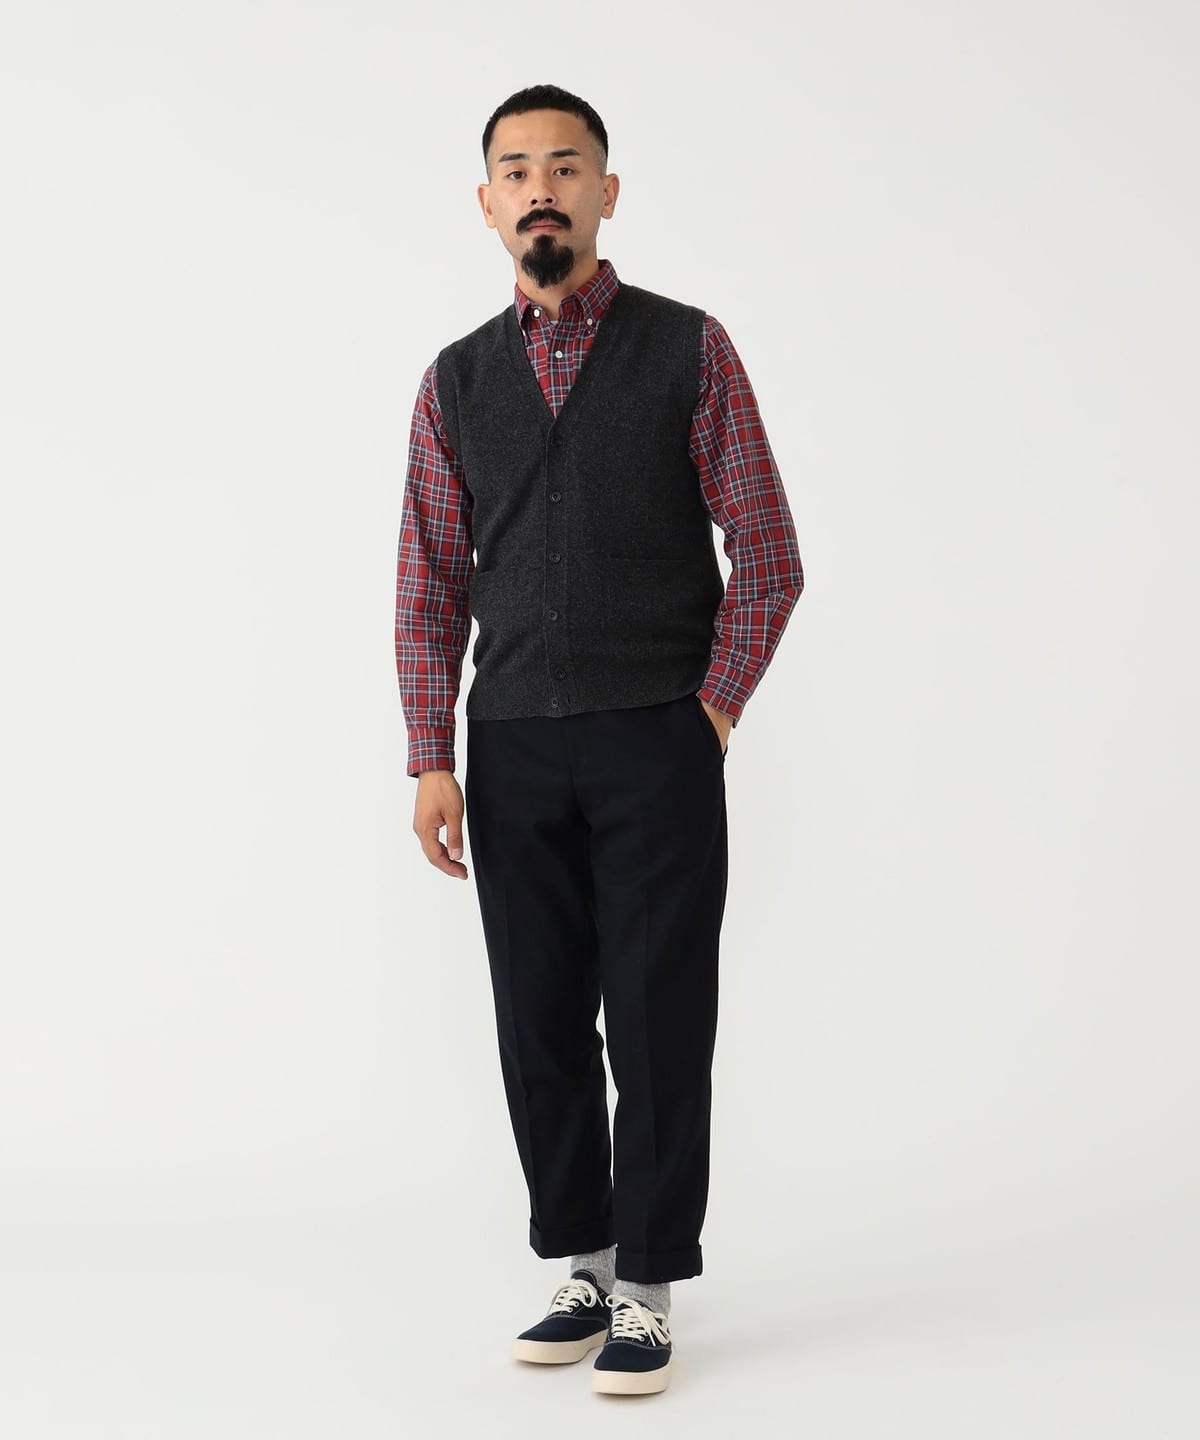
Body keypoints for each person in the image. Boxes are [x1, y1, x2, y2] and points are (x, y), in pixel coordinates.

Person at [394, 83, 803, 1396]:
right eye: (517, 170)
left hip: (657, 735)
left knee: (660, 1016)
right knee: (538, 1019)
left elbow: (768, 551)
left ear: (606, 192)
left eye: (565, 167)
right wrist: (431, 752)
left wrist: (712, 709)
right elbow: (430, 577)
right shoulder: (457, 378)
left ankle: (651, 1283)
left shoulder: (688, 348)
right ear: (487, 204)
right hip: (511, 742)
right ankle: (581, 1260)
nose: (542, 189)